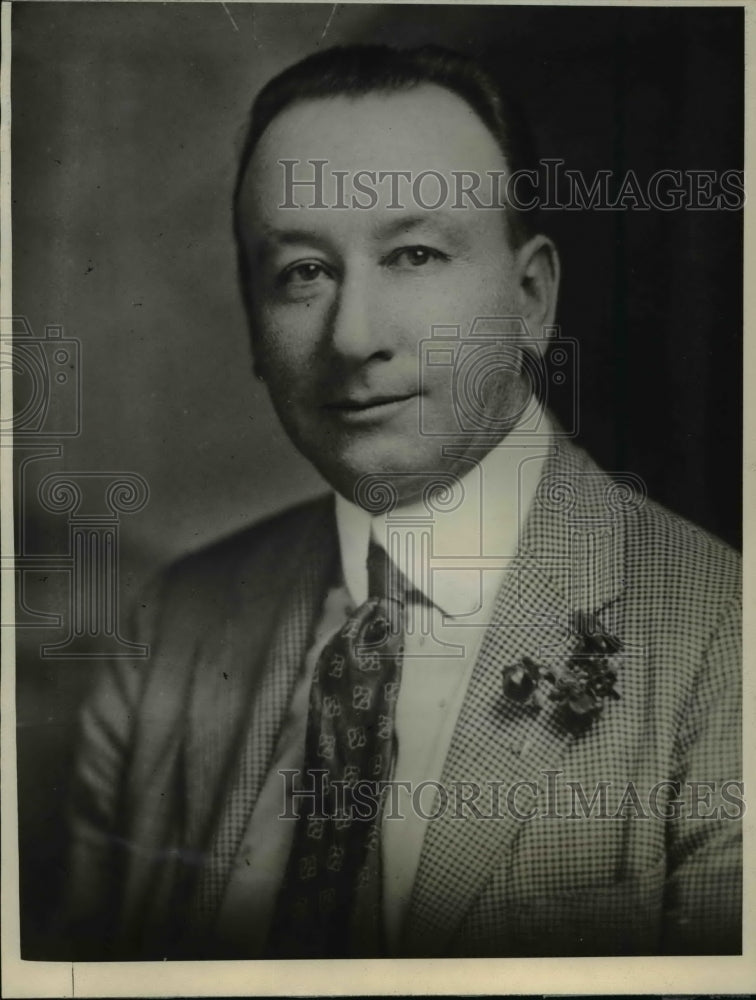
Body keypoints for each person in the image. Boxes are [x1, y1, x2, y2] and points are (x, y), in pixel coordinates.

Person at [59, 44, 742, 960]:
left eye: (414, 254)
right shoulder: (169, 636)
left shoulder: (724, 644)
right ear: (252, 322)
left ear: (531, 297)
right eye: (303, 272)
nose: (353, 336)